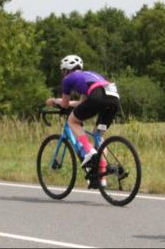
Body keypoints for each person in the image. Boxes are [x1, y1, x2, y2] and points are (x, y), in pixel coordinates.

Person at [46, 55, 120, 184]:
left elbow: (64, 103)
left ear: (66, 70)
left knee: (72, 120)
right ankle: (102, 178)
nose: (63, 74)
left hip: (98, 96)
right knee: (98, 135)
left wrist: (53, 100)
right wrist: (68, 104)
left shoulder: (68, 79)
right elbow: (81, 103)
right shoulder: (89, 76)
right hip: (113, 98)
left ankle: (89, 150)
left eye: (63, 71)